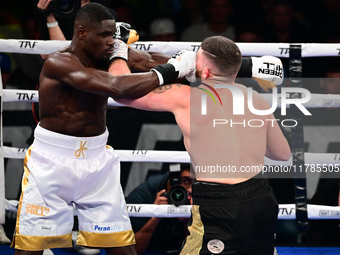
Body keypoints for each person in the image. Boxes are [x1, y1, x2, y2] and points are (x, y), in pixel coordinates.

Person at [11, 3, 196, 254]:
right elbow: (117, 87)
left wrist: (190, 63)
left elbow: (150, 62)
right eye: (105, 35)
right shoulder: (59, 62)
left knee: (122, 248)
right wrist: (173, 68)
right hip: (51, 163)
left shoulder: (112, 53)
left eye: (113, 34)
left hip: (97, 161)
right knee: (29, 249)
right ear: (82, 32)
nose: (112, 41)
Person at [115, 36, 291, 254]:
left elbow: (120, 89)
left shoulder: (184, 97)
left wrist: (118, 48)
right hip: (262, 197)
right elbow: (282, 154)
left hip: (220, 206)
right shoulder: (257, 99)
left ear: (205, 72)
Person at [126, 163, 192, 255]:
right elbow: (132, 251)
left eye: (195, 183)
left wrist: (188, 222)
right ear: (173, 180)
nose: (191, 190)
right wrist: (155, 216)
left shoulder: (200, 196)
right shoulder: (143, 195)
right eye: (186, 181)